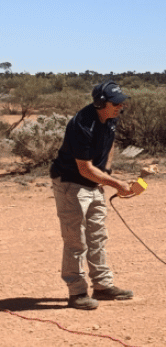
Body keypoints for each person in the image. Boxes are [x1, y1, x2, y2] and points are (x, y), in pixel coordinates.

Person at [50, 80, 138, 310]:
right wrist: (117, 184)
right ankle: (77, 292)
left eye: (121, 103)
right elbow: (84, 168)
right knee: (75, 240)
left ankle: (102, 286)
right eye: (116, 103)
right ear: (100, 104)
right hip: (71, 183)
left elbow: (110, 144)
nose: (120, 107)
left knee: (97, 236)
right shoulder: (82, 124)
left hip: (93, 182)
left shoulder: (111, 118)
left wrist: (106, 173)